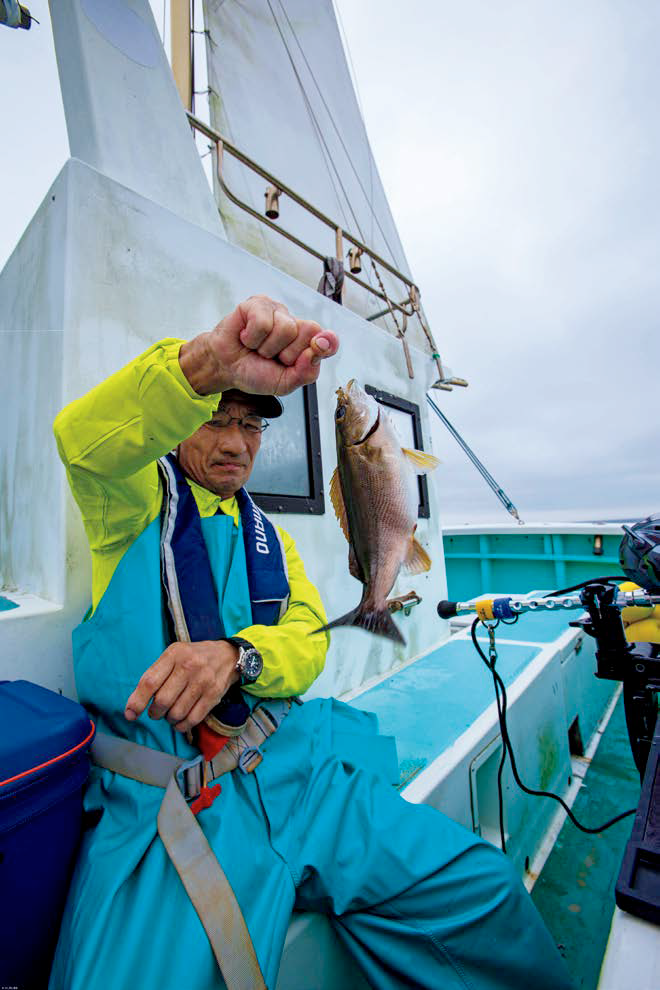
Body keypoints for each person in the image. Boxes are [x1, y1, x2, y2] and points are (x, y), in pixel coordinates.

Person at [50, 296, 573, 990]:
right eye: (217, 419)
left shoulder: (277, 541)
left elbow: (307, 641)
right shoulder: (131, 507)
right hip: (168, 804)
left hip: (299, 777)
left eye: (251, 426)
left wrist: (240, 655)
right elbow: (80, 439)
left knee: (485, 892)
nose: (236, 443)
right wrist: (205, 364)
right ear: (180, 427)